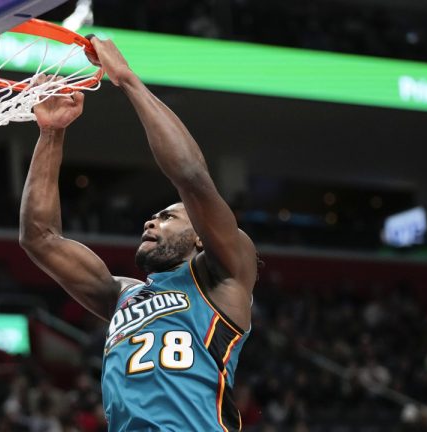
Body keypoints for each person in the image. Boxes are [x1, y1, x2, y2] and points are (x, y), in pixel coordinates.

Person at [19, 36, 258, 431]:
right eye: (152, 217)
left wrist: (127, 79)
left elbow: (190, 175)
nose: (150, 222)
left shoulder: (223, 277)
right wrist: (51, 133)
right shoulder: (121, 295)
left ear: (200, 235)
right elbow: (39, 238)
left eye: (167, 217)